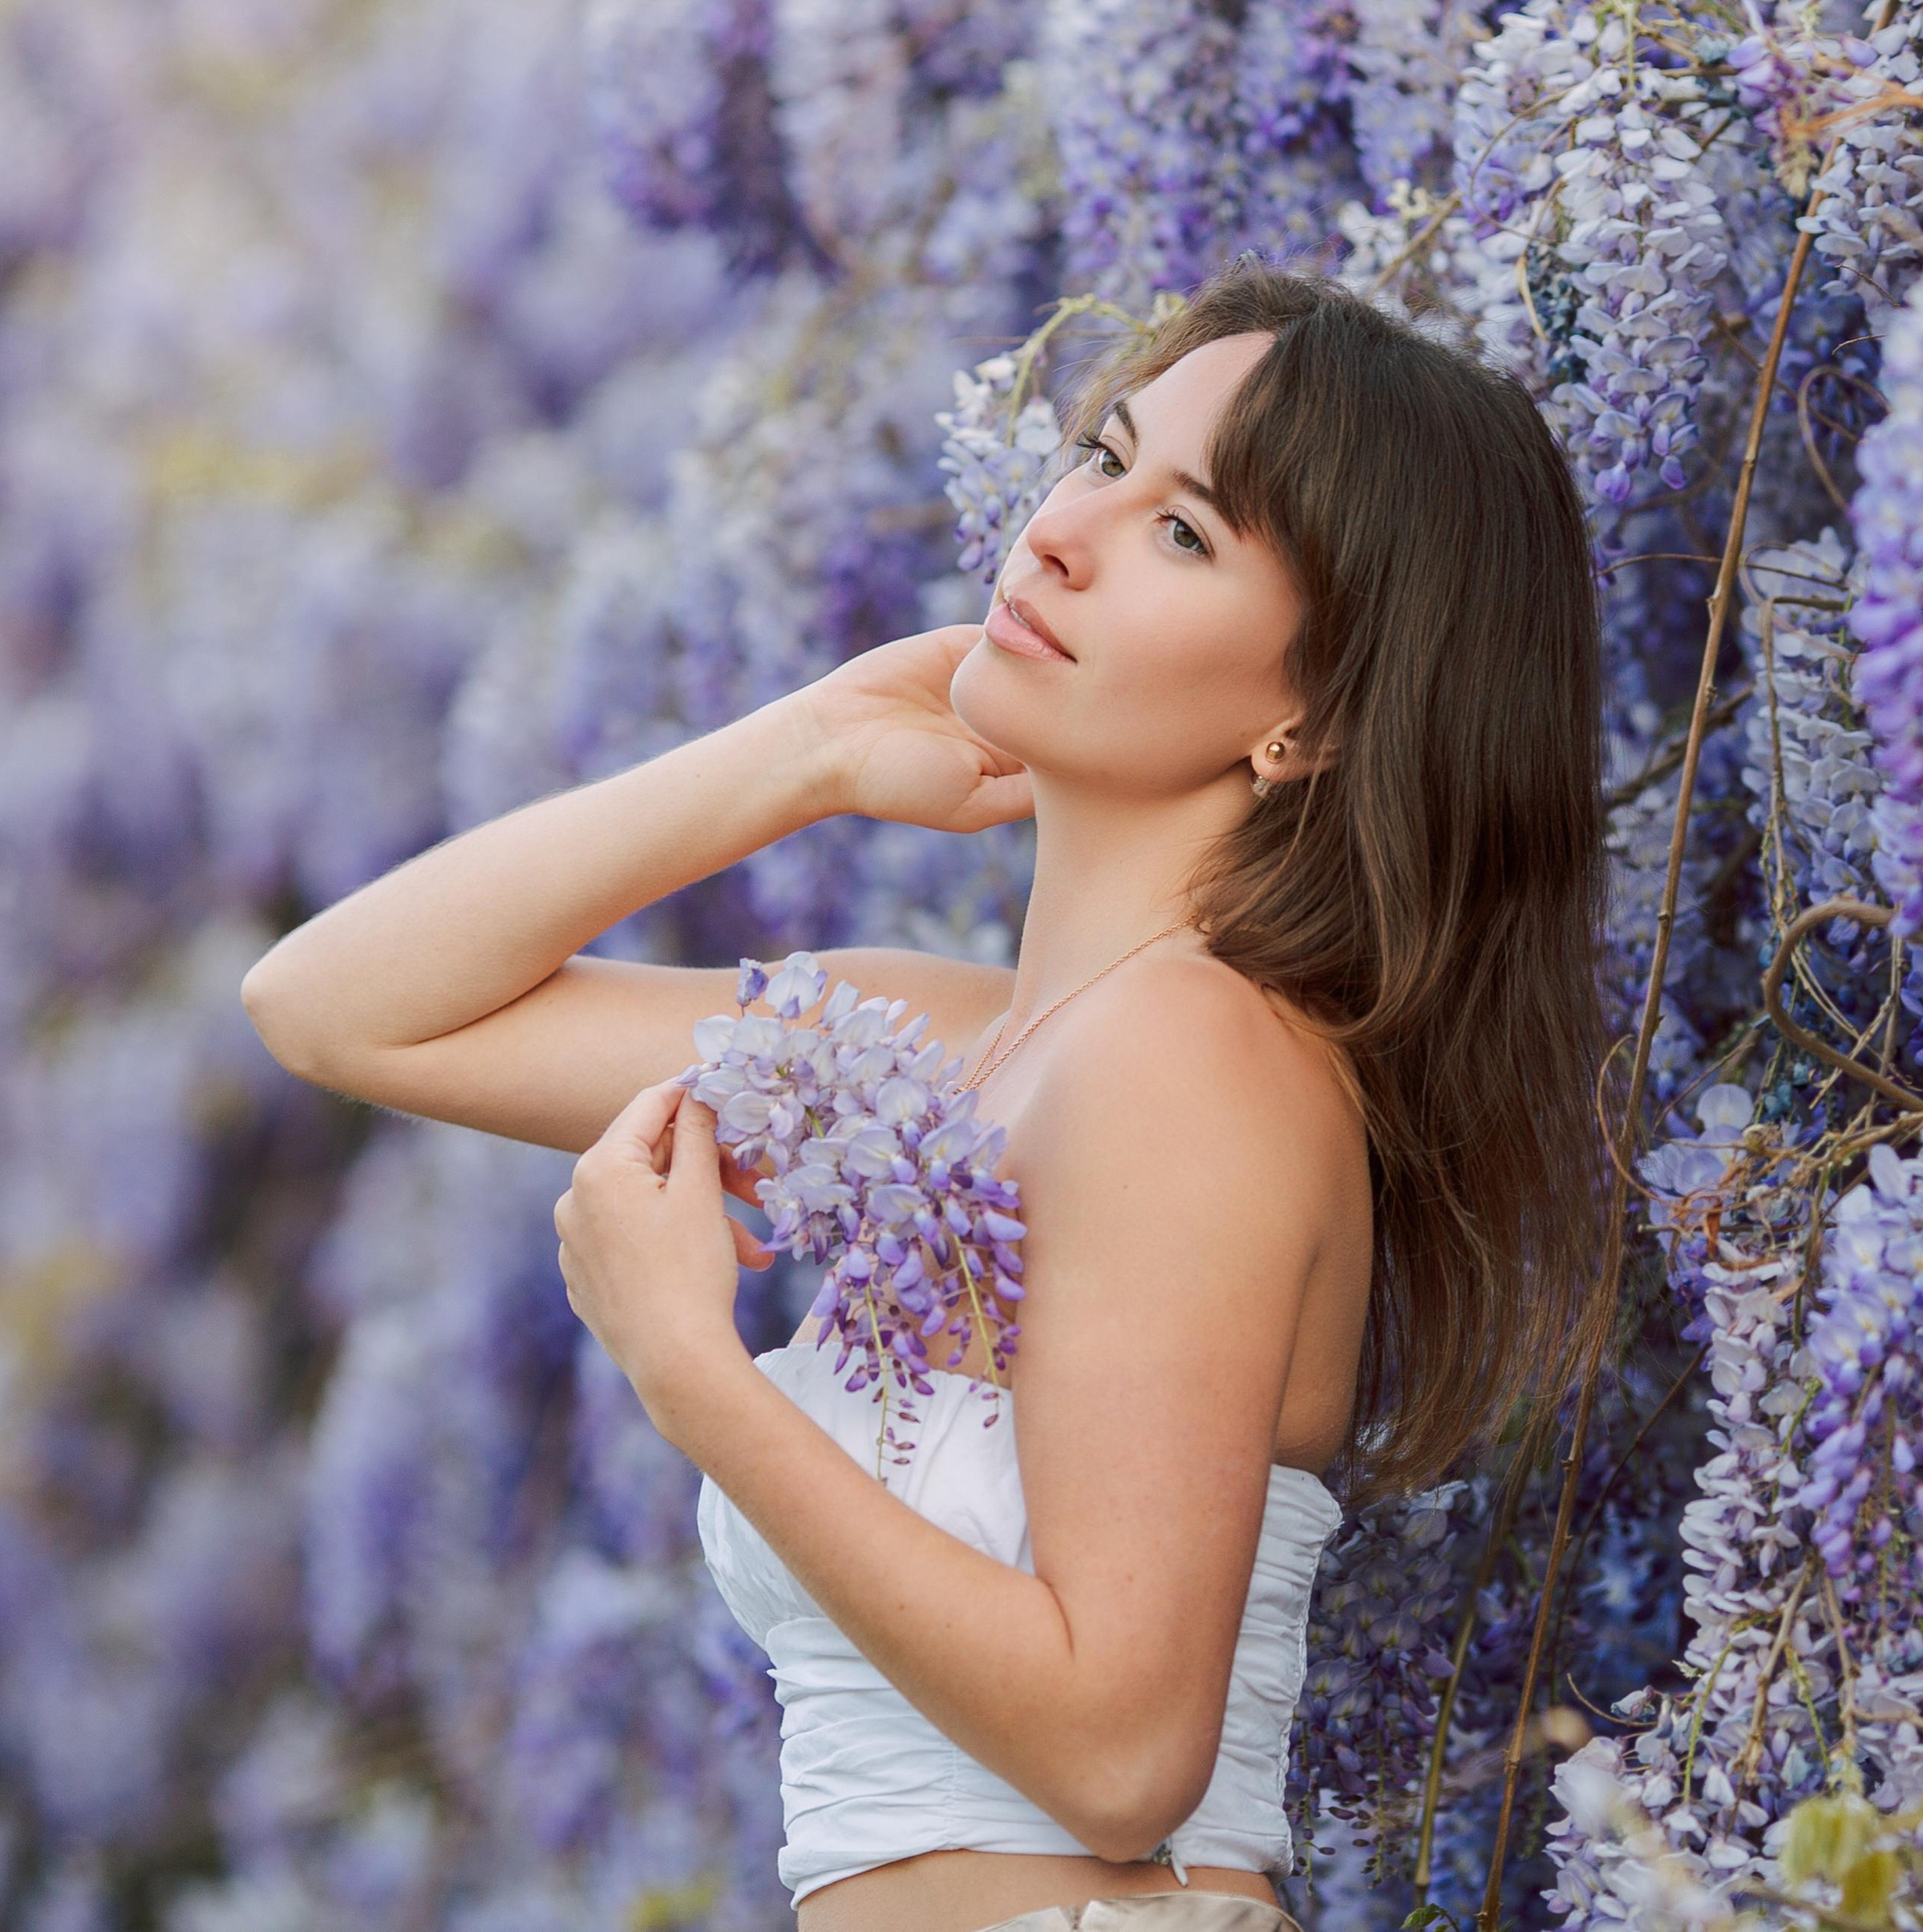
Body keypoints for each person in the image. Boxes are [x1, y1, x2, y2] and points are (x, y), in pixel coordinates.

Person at [240, 252, 1616, 1932]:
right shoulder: (939, 1043)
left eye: (1182, 532)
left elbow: (1121, 1751)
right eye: (1101, 456)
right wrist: (803, 748)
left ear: (1311, 722)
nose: (1059, 532)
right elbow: (340, 1006)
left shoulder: (1193, 1054)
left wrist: (693, 1372)